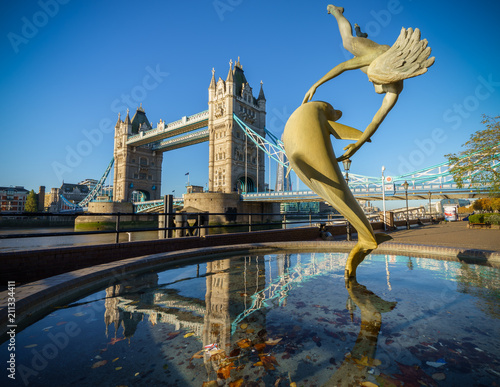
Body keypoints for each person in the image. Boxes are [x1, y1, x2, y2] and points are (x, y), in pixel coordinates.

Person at [303, 4, 434, 162]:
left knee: (361, 64)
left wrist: (358, 145)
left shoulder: (394, 91)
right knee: (347, 42)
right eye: (372, 80)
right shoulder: (373, 58)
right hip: (375, 52)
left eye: (373, 81)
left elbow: (376, 120)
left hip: (382, 61)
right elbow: (343, 66)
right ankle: (337, 12)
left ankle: (362, 35)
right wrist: (315, 85)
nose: (370, 82)